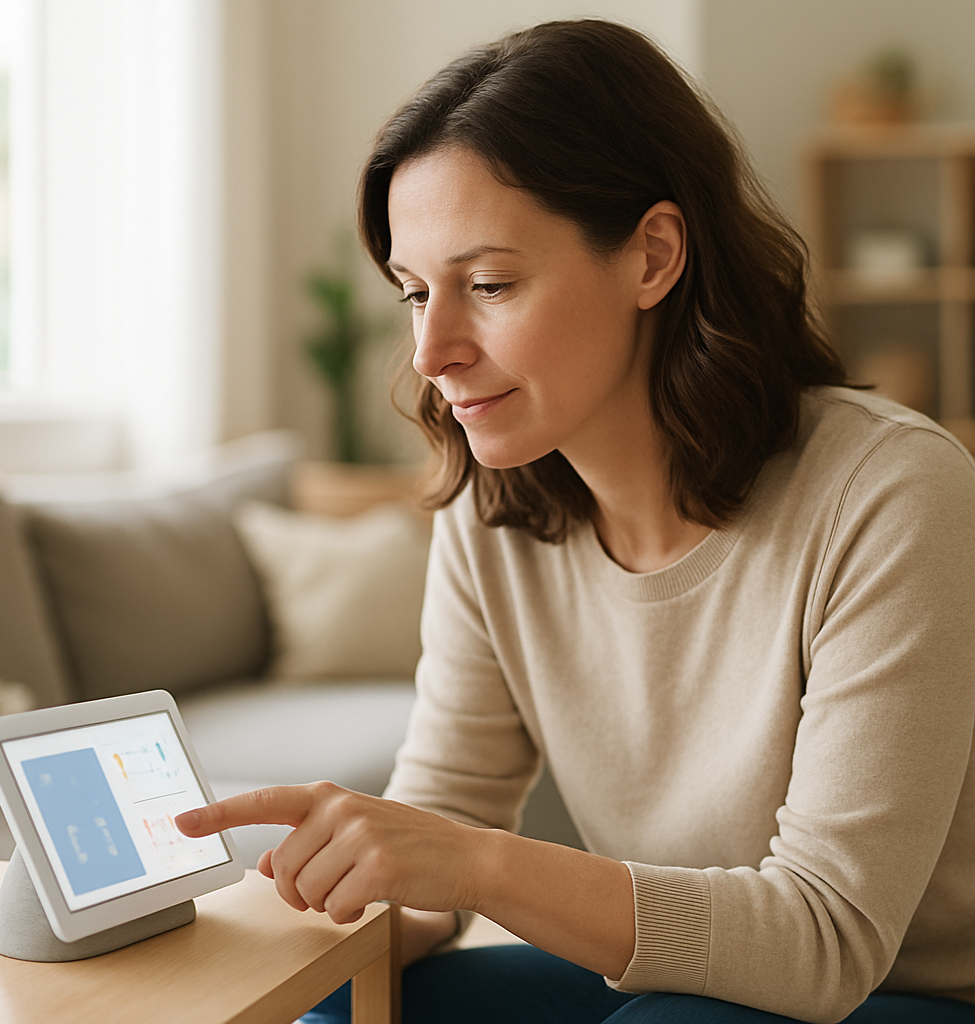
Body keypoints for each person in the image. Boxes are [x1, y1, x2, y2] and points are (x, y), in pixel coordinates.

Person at [177, 19, 975, 1023]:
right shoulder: (494, 508)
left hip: (901, 991)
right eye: (416, 293)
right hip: (680, 982)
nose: (431, 350)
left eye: (489, 285)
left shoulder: (890, 493)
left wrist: (474, 862)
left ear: (652, 256)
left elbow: (825, 940)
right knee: (350, 1001)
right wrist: (285, 921)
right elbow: (441, 825)